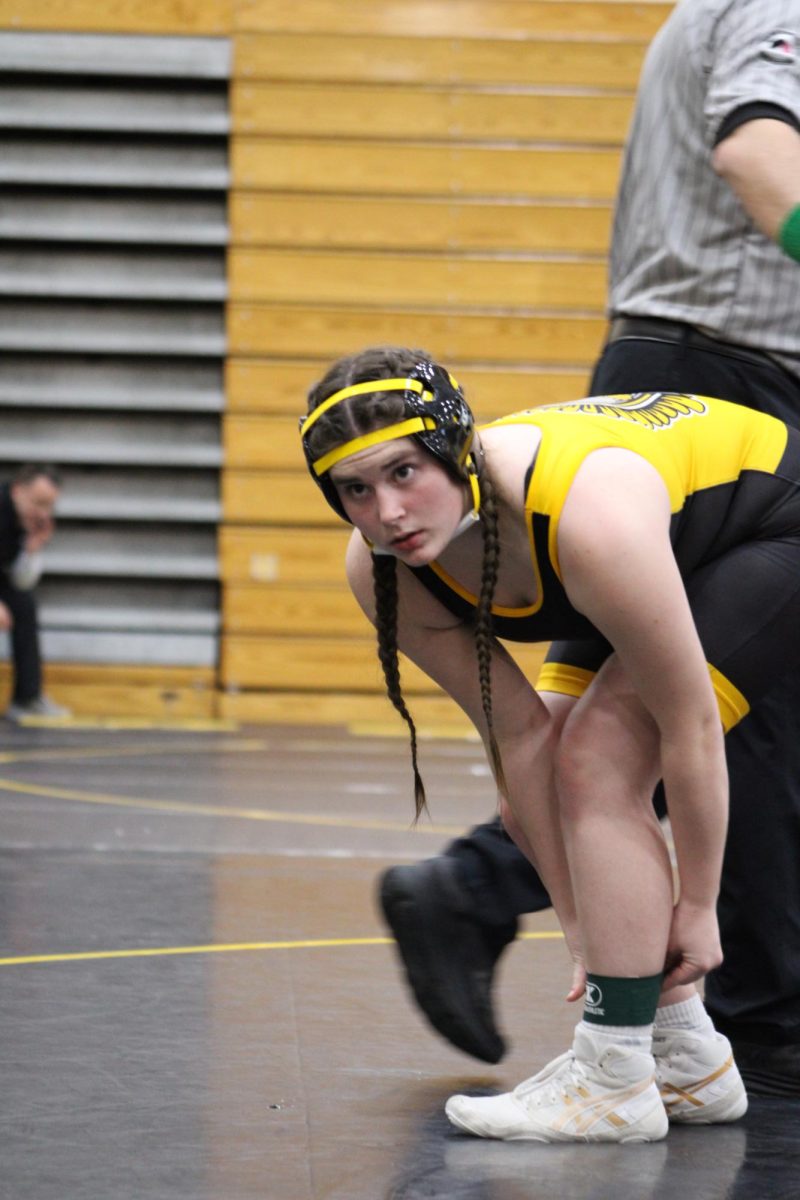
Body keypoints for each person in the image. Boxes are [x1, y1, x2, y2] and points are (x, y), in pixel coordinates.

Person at [377, 0, 800, 1100]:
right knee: (699, 721)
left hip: (651, 387)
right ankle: (732, 1020)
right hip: (727, 387)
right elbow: (759, 152)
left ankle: (488, 897)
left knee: (597, 734)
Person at [300, 344, 800, 1141]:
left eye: (404, 473)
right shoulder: (381, 568)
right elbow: (518, 739)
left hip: (773, 522)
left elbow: (692, 728)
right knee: (563, 752)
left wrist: (700, 907)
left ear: (454, 450)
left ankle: (612, 1078)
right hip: (659, 532)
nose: (387, 511)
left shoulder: (588, 520)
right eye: (355, 490)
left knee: (602, 757)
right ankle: (684, 1056)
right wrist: (580, 924)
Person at [0, 464, 70, 722]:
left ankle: (27, 697)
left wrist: (33, 548)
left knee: (23, 604)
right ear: (18, 491)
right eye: (38, 503)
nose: (43, 513)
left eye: (49, 507)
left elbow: (21, 582)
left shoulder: (26, 521)